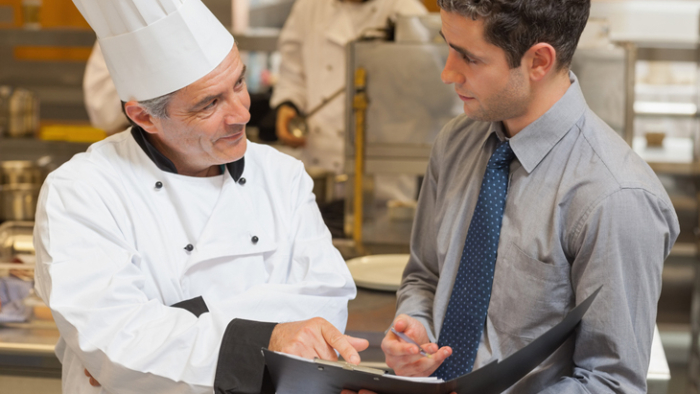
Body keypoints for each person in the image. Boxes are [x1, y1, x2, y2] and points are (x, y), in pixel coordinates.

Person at [345, 0, 680, 393]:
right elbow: (425, 275)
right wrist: (415, 328)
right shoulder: (456, 143)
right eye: (448, 46)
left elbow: (610, 383)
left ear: (538, 61)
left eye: (469, 58)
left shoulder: (616, 197)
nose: (447, 72)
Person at [34, 1, 369, 393]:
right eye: (210, 103)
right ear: (144, 116)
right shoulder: (82, 192)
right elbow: (114, 343)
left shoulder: (283, 176)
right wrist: (270, 338)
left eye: (239, 84)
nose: (241, 113)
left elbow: (327, 306)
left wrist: (170, 325)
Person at [271, 0, 427, 201]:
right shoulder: (309, 6)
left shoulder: (406, 12)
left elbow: (432, 94)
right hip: (317, 164)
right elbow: (292, 72)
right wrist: (288, 105)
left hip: (382, 176)